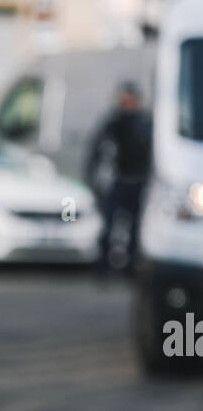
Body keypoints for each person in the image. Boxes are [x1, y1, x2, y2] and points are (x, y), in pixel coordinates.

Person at [85, 79, 152, 270]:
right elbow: (97, 149)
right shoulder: (114, 121)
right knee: (109, 223)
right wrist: (93, 176)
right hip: (119, 179)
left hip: (139, 181)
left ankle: (130, 265)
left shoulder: (146, 122)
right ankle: (104, 263)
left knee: (135, 226)